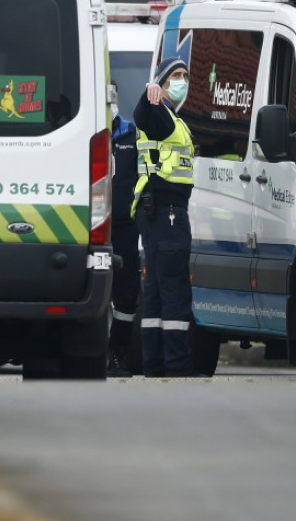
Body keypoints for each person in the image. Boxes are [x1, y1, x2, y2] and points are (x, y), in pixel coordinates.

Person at [131, 58, 203, 377]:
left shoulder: (176, 120)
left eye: (185, 75)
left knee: (158, 290)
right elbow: (143, 115)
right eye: (176, 75)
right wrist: (149, 95)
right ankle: (177, 365)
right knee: (174, 289)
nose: (182, 80)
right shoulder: (161, 115)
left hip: (159, 212)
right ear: (161, 82)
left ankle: (155, 364)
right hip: (166, 212)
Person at [105, 81, 141, 377]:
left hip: (126, 226)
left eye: (114, 94)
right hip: (90, 225)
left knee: (127, 295)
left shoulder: (131, 134)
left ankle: (118, 354)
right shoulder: (85, 131)